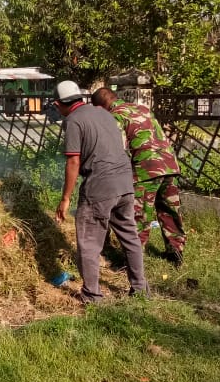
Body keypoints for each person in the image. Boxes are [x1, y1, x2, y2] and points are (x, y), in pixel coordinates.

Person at [53, 80, 148, 304]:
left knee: (89, 242)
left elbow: (73, 161)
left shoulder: (73, 120)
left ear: (58, 104)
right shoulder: (104, 113)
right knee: (130, 237)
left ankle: (92, 296)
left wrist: (65, 198)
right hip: (125, 183)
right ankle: (140, 289)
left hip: (100, 185)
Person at [91, 87, 186, 267]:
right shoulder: (142, 108)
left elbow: (119, 149)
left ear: (99, 107)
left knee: (139, 216)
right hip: (170, 165)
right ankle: (176, 253)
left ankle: (133, 260)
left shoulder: (115, 116)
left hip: (146, 170)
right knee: (169, 210)